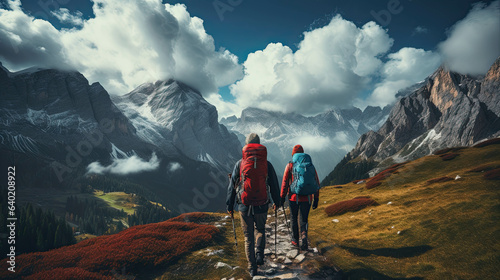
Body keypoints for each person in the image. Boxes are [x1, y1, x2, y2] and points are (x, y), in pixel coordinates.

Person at [226, 133, 281, 277]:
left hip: (244, 205)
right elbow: (274, 185)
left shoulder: (240, 163)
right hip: (262, 204)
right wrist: (277, 202)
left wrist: (229, 206)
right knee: (261, 230)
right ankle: (259, 254)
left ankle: (252, 268)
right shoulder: (267, 164)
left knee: (247, 236)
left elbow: (232, 187)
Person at [280, 144, 319, 251]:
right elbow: (316, 181)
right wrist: (316, 198)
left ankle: (295, 240)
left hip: (293, 197)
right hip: (307, 198)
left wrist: (282, 197)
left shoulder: (290, 165)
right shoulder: (310, 165)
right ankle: (304, 237)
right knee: (304, 219)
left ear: (293, 154)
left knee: (293, 217)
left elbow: (284, 183)